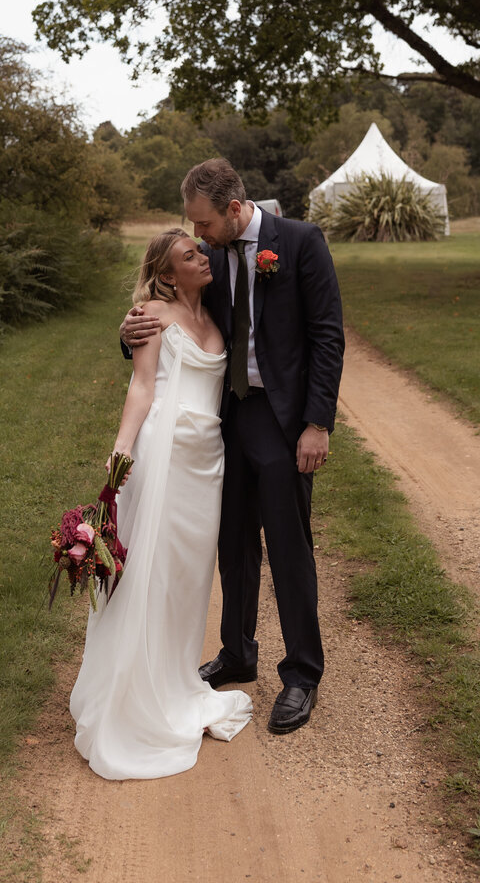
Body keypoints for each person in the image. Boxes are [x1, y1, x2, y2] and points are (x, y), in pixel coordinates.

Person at [121, 159, 344, 734]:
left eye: (203, 224)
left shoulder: (297, 243)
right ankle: (238, 651)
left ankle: (301, 674)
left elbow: (326, 335)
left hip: (284, 418)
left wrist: (317, 423)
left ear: (234, 208)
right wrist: (130, 334)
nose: (197, 236)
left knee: (289, 544)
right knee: (233, 540)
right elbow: (181, 318)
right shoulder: (209, 259)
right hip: (227, 417)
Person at [70, 228, 252, 780]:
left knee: (188, 576)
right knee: (148, 568)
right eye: (189, 256)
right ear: (168, 274)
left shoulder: (215, 309)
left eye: (201, 251)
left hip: (207, 464)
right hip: (164, 455)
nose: (203, 257)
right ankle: (135, 695)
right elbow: (142, 386)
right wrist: (121, 450)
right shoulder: (153, 314)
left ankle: (173, 677)